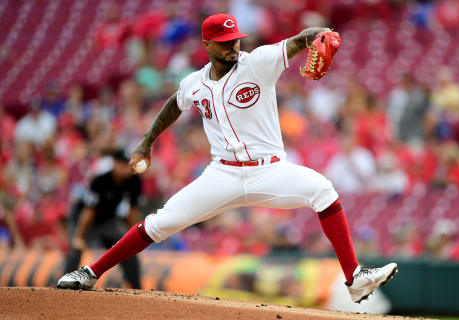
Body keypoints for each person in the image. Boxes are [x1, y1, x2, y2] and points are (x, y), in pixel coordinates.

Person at [58, 13, 398, 303]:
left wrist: (319, 36)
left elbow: (298, 40)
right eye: (224, 41)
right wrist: (146, 142)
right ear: (207, 45)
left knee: (323, 190)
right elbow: (174, 105)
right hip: (222, 176)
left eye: (235, 38)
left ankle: (354, 279)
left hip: (270, 170)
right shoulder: (194, 83)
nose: (233, 45)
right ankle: (90, 272)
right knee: (160, 223)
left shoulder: (258, 63)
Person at [63, 149, 143, 289]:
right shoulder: (101, 180)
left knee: (128, 246)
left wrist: (133, 236)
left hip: (108, 220)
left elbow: (133, 211)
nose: (125, 167)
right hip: (85, 220)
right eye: (122, 163)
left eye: (128, 164)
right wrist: (79, 237)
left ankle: (136, 287)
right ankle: (65, 285)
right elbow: (89, 211)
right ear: (115, 163)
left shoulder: (134, 181)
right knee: (76, 247)